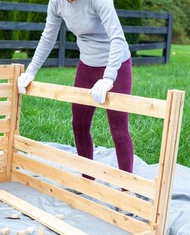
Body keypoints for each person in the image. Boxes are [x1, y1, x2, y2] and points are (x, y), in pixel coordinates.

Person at [17, 0, 134, 186]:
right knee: (79, 125)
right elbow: (48, 37)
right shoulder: (56, 3)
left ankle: (128, 189)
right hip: (87, 66)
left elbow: (117, 38)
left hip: (116, 66)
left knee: (119, 130)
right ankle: (87, 181)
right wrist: (30, 71)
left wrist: (108, 78)